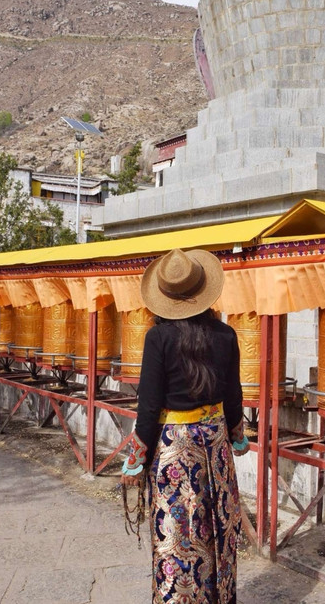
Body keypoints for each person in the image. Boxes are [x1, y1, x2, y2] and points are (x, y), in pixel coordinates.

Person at [120, 247, 249, 604]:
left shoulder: (158, 339)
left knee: (179, 533)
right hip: (215, 444)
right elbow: (234, 398)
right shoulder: (226, 335)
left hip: (175, 451)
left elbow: (148, 407)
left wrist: (135, 460)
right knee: (217, 529)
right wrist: (237, 438)